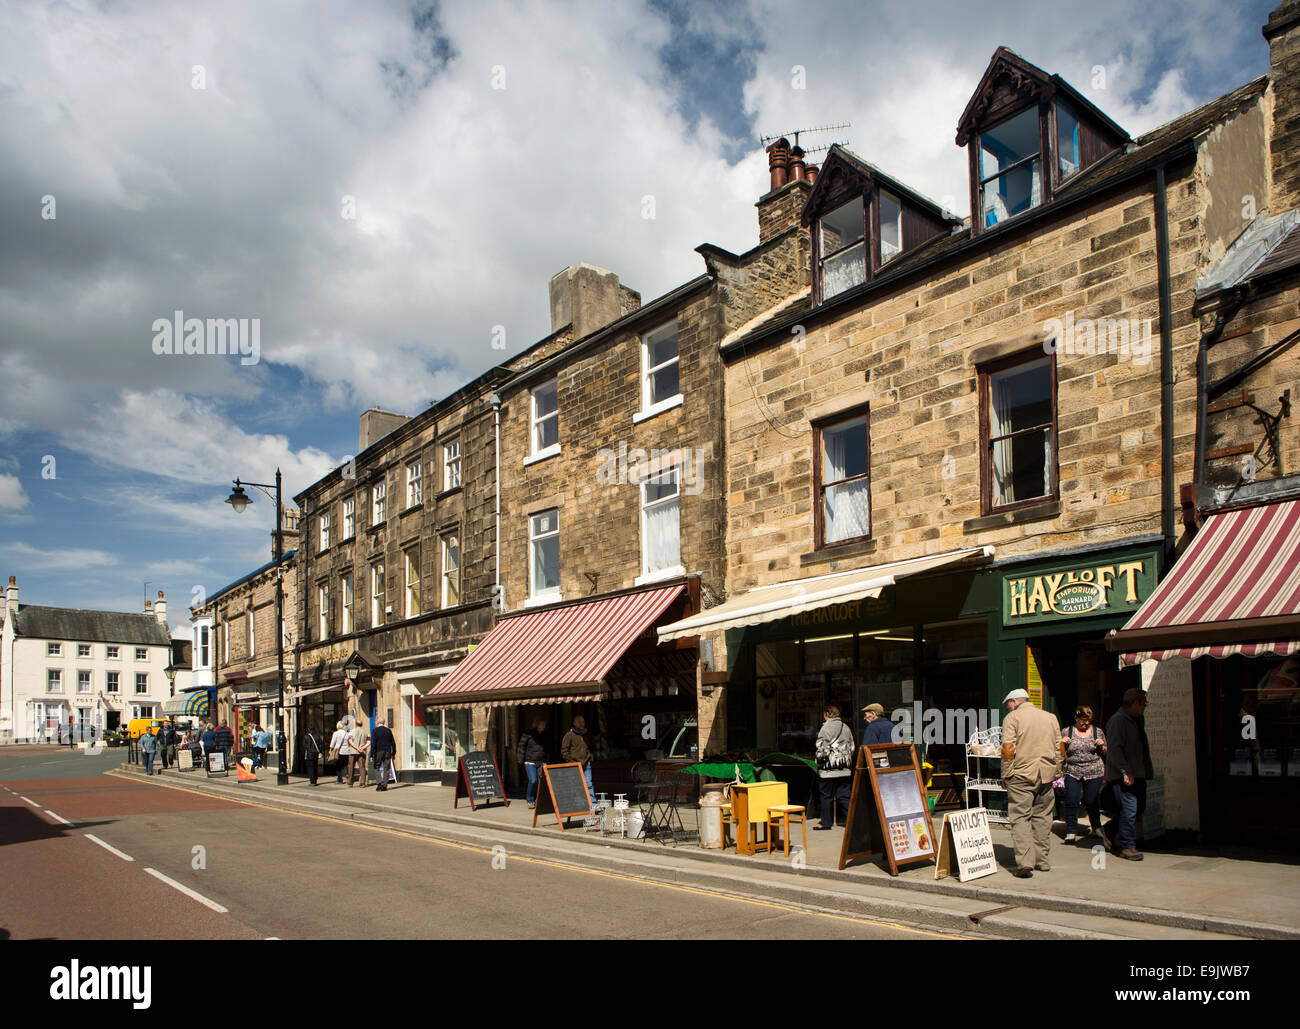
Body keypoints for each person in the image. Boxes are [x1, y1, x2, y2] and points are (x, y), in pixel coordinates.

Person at [999, 688, 1063, 878]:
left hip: (1022, 774)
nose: (1009, 709)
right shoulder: (1050, 717)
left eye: (1008, 705)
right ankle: (1042, 860)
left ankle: (1025, 863)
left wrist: (1006, 774)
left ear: (1013, 702)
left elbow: (1008, 749)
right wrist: (1056, 772)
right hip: (1046, 775)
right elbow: (1060, 748)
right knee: (1043, 818)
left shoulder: (1013, 718)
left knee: (1020, 818)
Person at [1103, 688, 1153, 861]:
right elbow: (1115, 749)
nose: (1145, 706)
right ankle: (1127, 845)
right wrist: (1125, 770)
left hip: (1138, 772)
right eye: (1143, 703)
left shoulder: (1137, 719)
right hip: (1123, 775)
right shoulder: (1118, 721)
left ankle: (1109, 830)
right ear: (1134, 703)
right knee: (1129, 809)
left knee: (1138, 808)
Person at [1060, 705, 1106, 843]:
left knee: (1091, 800)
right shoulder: (1067, 731)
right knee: (1072, 800)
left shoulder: (1097, 731)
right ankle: (1071, 831)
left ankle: (1096, 827)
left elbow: (1105, 751)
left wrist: (1102, 744)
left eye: (1088, 720)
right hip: (1073, 771)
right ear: (1076, 718)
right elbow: (1059, 752)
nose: (1086, 723)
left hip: (1094, 771)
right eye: (1083, 720)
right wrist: (1062, 744)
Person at [814, 704, 855, 830]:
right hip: (844, 769)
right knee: (844, 796)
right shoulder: (846, 727)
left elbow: (822, 748)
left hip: (828, 770)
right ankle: (853, 822)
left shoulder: (825, 727)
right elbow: (852, 747)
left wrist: (819, 760)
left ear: (827, 714)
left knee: (826, 796)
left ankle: (826, 823)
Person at [560, 715, 594, 799]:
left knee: (588, 784)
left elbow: (591, 747)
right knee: (575, 784)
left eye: (583, 722)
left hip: (586, 763)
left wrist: (590, 758)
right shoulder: (569, 735)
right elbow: (564, 751)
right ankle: (577, 804)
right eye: (579, 722)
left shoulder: (587, 734)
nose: (581, 724)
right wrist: (572, 762)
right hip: (574, 765)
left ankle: (592, 803)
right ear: (574, 723)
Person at [518, 718, 548, 808]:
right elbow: (521, 746)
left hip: (541, 762)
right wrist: (520, 760)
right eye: (542, 724)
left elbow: (547, 748)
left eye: (544, 725)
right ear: (537, 724)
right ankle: (530, 799)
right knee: (533, 780)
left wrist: (547, 761)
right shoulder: (528, 734)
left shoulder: (545, 734)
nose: (544, 726)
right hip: (530, 762)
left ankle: (538, 799)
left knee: (540, 782)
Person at [371, 719, 397, 791]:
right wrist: (393, 753)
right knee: (387, 768)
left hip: (378, 751)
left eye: (376, 722)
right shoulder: (388, 730)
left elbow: (373, 743)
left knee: (376, 767)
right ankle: (384, 785)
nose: (375, 723)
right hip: (387, 751)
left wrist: (371, 754)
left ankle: (379, 783)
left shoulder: (375, 731)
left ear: (378, 722)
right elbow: (393, 742)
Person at [344, 720, 369, 788]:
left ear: (356, 724)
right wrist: (363, 747)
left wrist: (356, 747)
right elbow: (369, 742)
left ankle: (350, 782)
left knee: (351, 766)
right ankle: (362, 782)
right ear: (362, 724)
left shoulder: (351, 732)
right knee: (362, 767)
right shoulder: (366, 732)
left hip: (353, 751)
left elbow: (350, 741)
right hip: (362, 752)